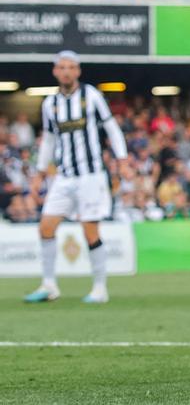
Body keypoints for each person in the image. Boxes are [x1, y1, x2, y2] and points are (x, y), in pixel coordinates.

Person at [24, 51, 129, 304]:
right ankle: (49, 285)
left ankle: (99, 288)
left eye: (71, 67)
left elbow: (111, 127)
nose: (67, 72)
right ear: (55, 71)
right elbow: (49, 140)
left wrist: (122, 159)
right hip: (64, 176)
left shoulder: (91, 96)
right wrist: (40, 173)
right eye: (62, 67)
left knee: (90, 230)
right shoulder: (51, 103)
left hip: (91, 176)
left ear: (78, 71)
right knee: (46, 226)